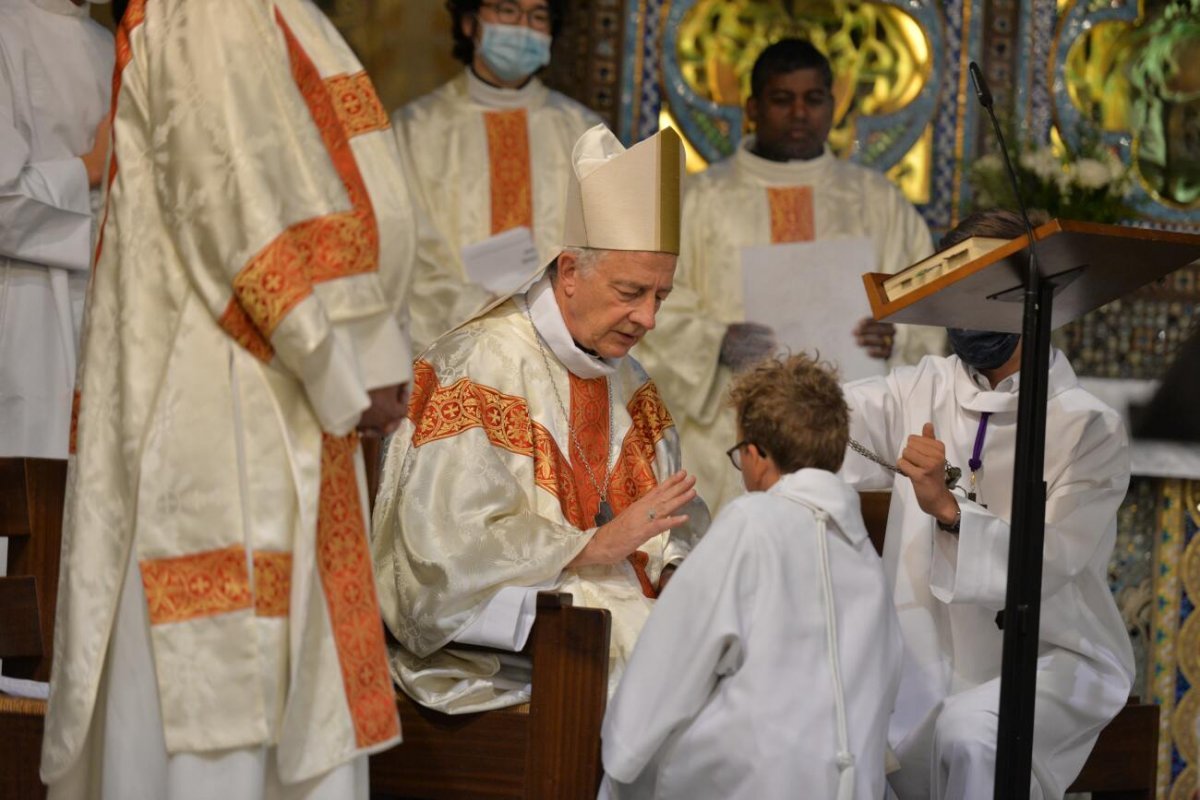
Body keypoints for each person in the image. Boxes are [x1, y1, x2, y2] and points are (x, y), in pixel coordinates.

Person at [41, 1, 419, 797]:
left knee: (281, 711)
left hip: (290, 401)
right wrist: (344, 365)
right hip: (223, 414)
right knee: (220, 719)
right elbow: (232, 208)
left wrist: (365, 355)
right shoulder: (201, 8)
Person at [371, 124, 710, 714]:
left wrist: (677, 567)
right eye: (632, 291)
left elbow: (672, 523)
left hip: (602, 619)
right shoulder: (478, 365)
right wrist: (590, 545)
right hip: (501, 649)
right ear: (570, 271)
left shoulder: (628, 382)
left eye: (662, 296)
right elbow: (439, 554)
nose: (648, 318)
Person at [841, 209, 1135, 799]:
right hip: (923, 646)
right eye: (957, 294)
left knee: (973, 735)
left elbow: (1048, 563)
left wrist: (950, 512)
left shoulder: (1088, 428)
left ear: (1033, 299)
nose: (969, 313)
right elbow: (828, 420)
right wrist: (789, 395)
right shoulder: (917, 386)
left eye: (986, 293)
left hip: (1052, 653)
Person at [636, 38, 942, 514]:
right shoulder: (700, 200)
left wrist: (897, 336)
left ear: (833, 106)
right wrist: (714, 340)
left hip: (847, 433)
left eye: (814, 99)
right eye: (783, 100)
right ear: (753, 107)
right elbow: (651, 299)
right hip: (729, 432)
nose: (800, 113)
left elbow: (928, 299)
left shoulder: (877, 202)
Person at [599, 354, 902, 800]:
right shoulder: (865, 557)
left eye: (739, 454)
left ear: (757, 455)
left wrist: (620, 758)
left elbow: (673, 658)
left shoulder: (754, 520)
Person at [393, 0, 603, 348]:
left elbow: (605, 250)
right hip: (448, 342)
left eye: (537, 16)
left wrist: (555, 311)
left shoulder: (584, 133)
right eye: (507, 10)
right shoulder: (414, 130)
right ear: (468, 22)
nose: (522, 27)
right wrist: (481, 308)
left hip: (561, 345)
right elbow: (407, 249)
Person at [0, 0, 113, 461]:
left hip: (107, 310)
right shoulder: (7, 30)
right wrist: (88, 167)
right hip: (26, 309)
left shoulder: (113, 47)